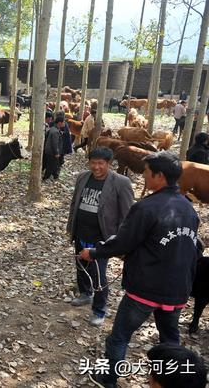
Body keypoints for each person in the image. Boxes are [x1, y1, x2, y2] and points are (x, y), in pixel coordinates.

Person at [80, 152, 200, 388]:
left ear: (160, 176)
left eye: (146, 172)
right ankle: (170, 382)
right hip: (177, 290)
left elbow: (123, 242)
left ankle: (109, 378)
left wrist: (93, 253)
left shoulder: (146, 207)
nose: (143, 176)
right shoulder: (188, 208)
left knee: (119, 337)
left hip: (145, 289)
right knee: (170, 341)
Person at [66, 147, 134, 327]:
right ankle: (85, 293)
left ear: (109, 164)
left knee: (98, 275)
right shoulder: (83, 177)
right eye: (93, 163)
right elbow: (75, 203)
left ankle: (99, 309)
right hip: (81, 232)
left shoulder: (120, 182)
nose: (96, 167)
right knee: (81, 266)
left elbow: (127, 215)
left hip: (102, 237)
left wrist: (121, 241)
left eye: (100, 164)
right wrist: (71, 227)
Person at [43, 116, 64, 181]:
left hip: (49, 150)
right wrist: (56, 152)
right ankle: (45, 178)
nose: (64, 124)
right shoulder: (55, 132)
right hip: (51, 152)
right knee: (51, 165)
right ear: (60, 123)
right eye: (63, 122)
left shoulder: (53, 129)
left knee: (55, 164)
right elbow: (55, 143)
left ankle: (55, 176)